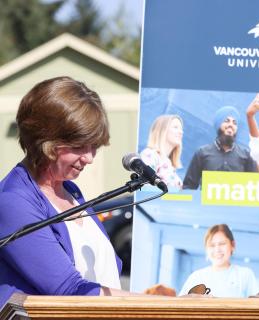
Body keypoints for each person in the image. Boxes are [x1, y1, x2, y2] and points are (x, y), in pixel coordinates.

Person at [0, 76, 141, 309]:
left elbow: (105, 276)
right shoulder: (13, 202)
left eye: (94, 145)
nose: (89, 158)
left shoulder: (71, 191)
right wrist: (173, 304)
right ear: (45, 141)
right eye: (79, 146)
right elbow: (70, 290)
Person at [183, 106, 258, 189]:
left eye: (234, 123)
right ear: (218, 125)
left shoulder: (246, 155)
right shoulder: (202, 153)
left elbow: (255, 187)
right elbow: (189, 187)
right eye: (226, 121)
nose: (231, 125)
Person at [179, 224, 259, 297]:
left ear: (233, 245)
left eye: (222, 244)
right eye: (212, 245)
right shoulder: (196, 277)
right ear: (206, 249)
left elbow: (258, 306)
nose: (217, 249)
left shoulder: (245, 274)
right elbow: (180, 304)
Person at [140, 114, 183, 189]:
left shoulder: (169, 163)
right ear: (162, 130)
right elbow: (144, 187)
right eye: (175, 127)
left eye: (181, 129)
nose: (181, 132)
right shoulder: (149, 155)